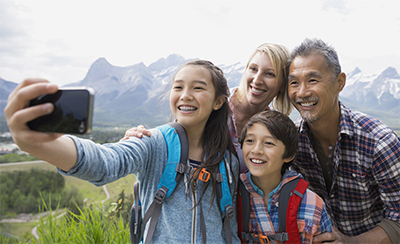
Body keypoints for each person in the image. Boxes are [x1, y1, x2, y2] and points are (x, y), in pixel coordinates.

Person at [4, 60, 241, 243]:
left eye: (198, 88)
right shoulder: (153, 142)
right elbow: (105, 162)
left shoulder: (227, 160)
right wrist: (39, 144)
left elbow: (229, 225)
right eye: (178, 87)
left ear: (219, 102)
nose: (185, 94)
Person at [287, 38, 400, 243]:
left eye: (312, 80)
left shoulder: (379, 143)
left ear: (339, 82)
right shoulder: (292, 142)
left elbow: (398, 217)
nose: (301, 92)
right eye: (294, 82)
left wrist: (349, 242)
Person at [121, 43, 293, 173]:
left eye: (270, 74)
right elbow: (174, 138)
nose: (257, 79)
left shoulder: (274, 127)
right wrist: (142, 140)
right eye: (253, 69)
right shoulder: (214, 102)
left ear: (282, 85)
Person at [238, 110, 332, 244]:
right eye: (250, 140)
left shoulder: (312, 203)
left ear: (289, 155)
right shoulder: (232, 195)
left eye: (268, 143)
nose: (256, 150)